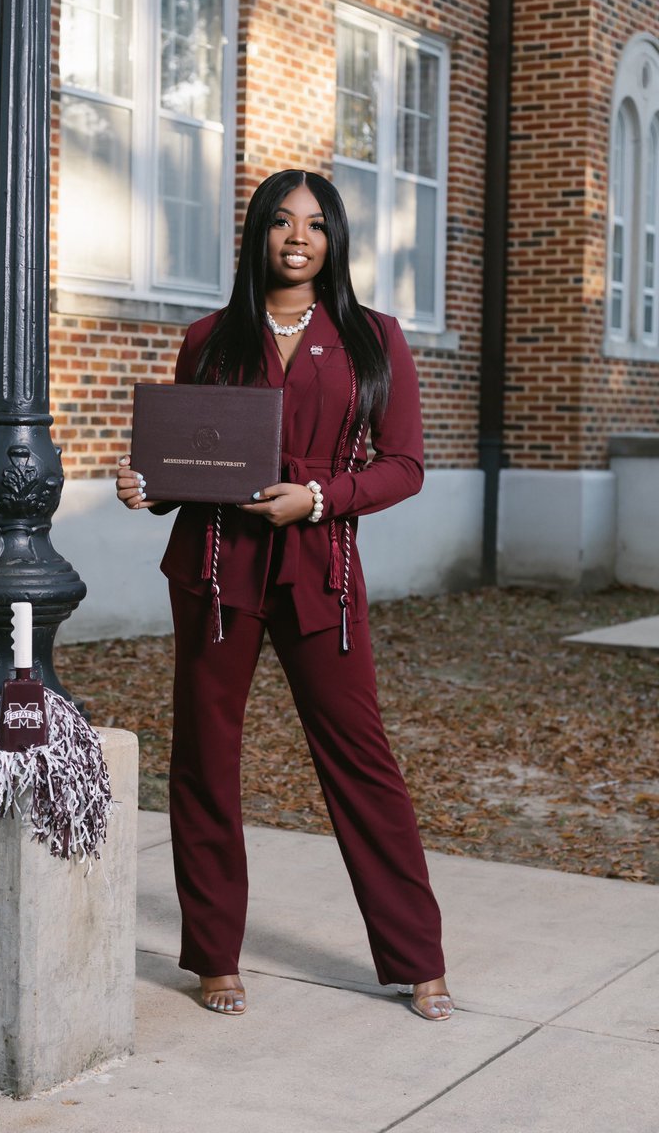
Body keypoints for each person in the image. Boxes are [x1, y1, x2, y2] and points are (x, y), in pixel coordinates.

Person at [116, 169, 453, 1021]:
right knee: (204, 758)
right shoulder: (210, 339)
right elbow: (190, 464)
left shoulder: (374, 338)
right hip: (216, 569)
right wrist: (148, 487)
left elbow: (404, 465)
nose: (296, 237)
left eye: (313, 224)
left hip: (322, 578)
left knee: (362, 760)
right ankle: (214, 956)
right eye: (279, 222)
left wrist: (322, 499)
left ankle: (418, 958)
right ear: (258, 235)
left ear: (333, 239)